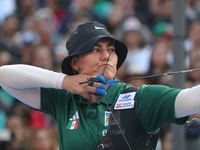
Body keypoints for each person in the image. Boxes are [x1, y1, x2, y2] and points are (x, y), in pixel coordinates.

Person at [0, 21, 199, 150]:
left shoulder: (141, 99)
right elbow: (4, 76)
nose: (106, 57)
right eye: (95, 49)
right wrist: (64, 82)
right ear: (75, 63)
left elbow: (192, 99)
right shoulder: (63, 100)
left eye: (111, 50)